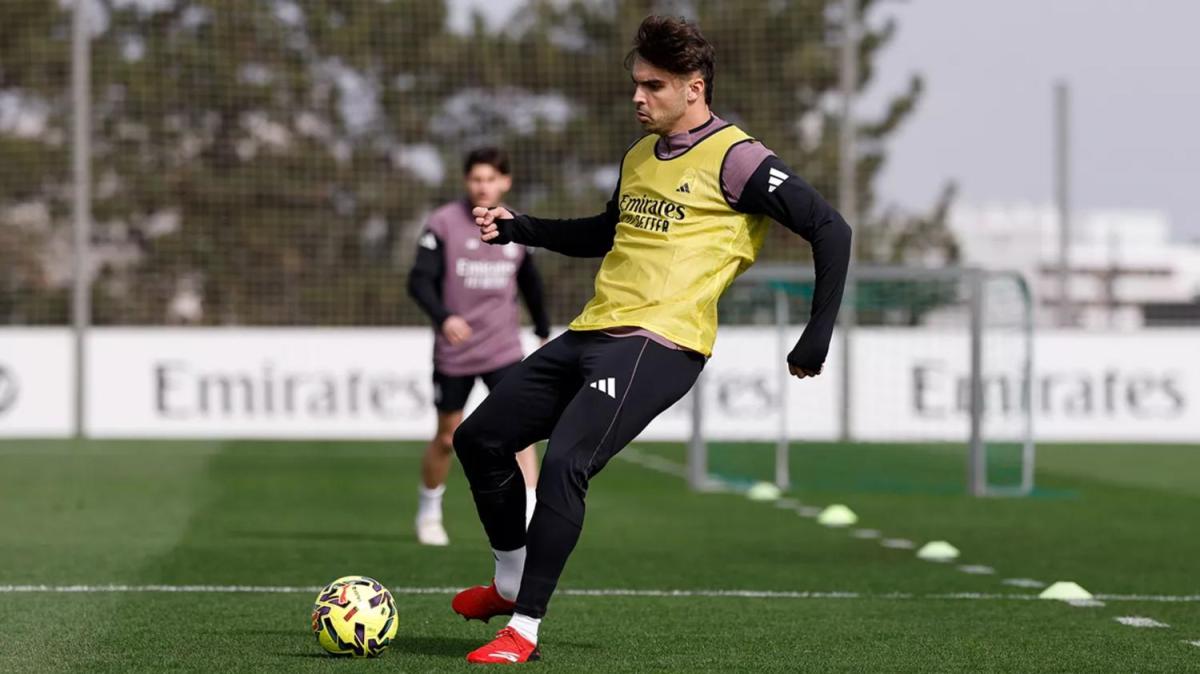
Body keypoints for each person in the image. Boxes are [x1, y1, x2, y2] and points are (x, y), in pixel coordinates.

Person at [451, 16, 852, 664]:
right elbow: (605, 234)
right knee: (481, 440)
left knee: (564, 464)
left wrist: (817, 334)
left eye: (653, 85)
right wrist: (520, 227)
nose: (638, 97)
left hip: (661, 341)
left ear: (694, 87)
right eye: (635, 83)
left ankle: (522, 630)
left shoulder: (738, 158)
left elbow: (832, 229)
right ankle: (507, 581)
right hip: (592, 329)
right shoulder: (639, 156)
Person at [407, 147, 550, 547]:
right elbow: (418, 281)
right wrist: (444, 317)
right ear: (466, 182)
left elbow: (531, 284)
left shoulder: (514, 226)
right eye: (475, 179)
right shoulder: (443, 224)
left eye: (490, 179)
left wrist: (541, 330)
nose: (482, 186)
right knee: (448, 437)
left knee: (521, 434)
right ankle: (429, 511)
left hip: (503, 350)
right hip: (455, 352)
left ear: (505, 182)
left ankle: (530, 512)